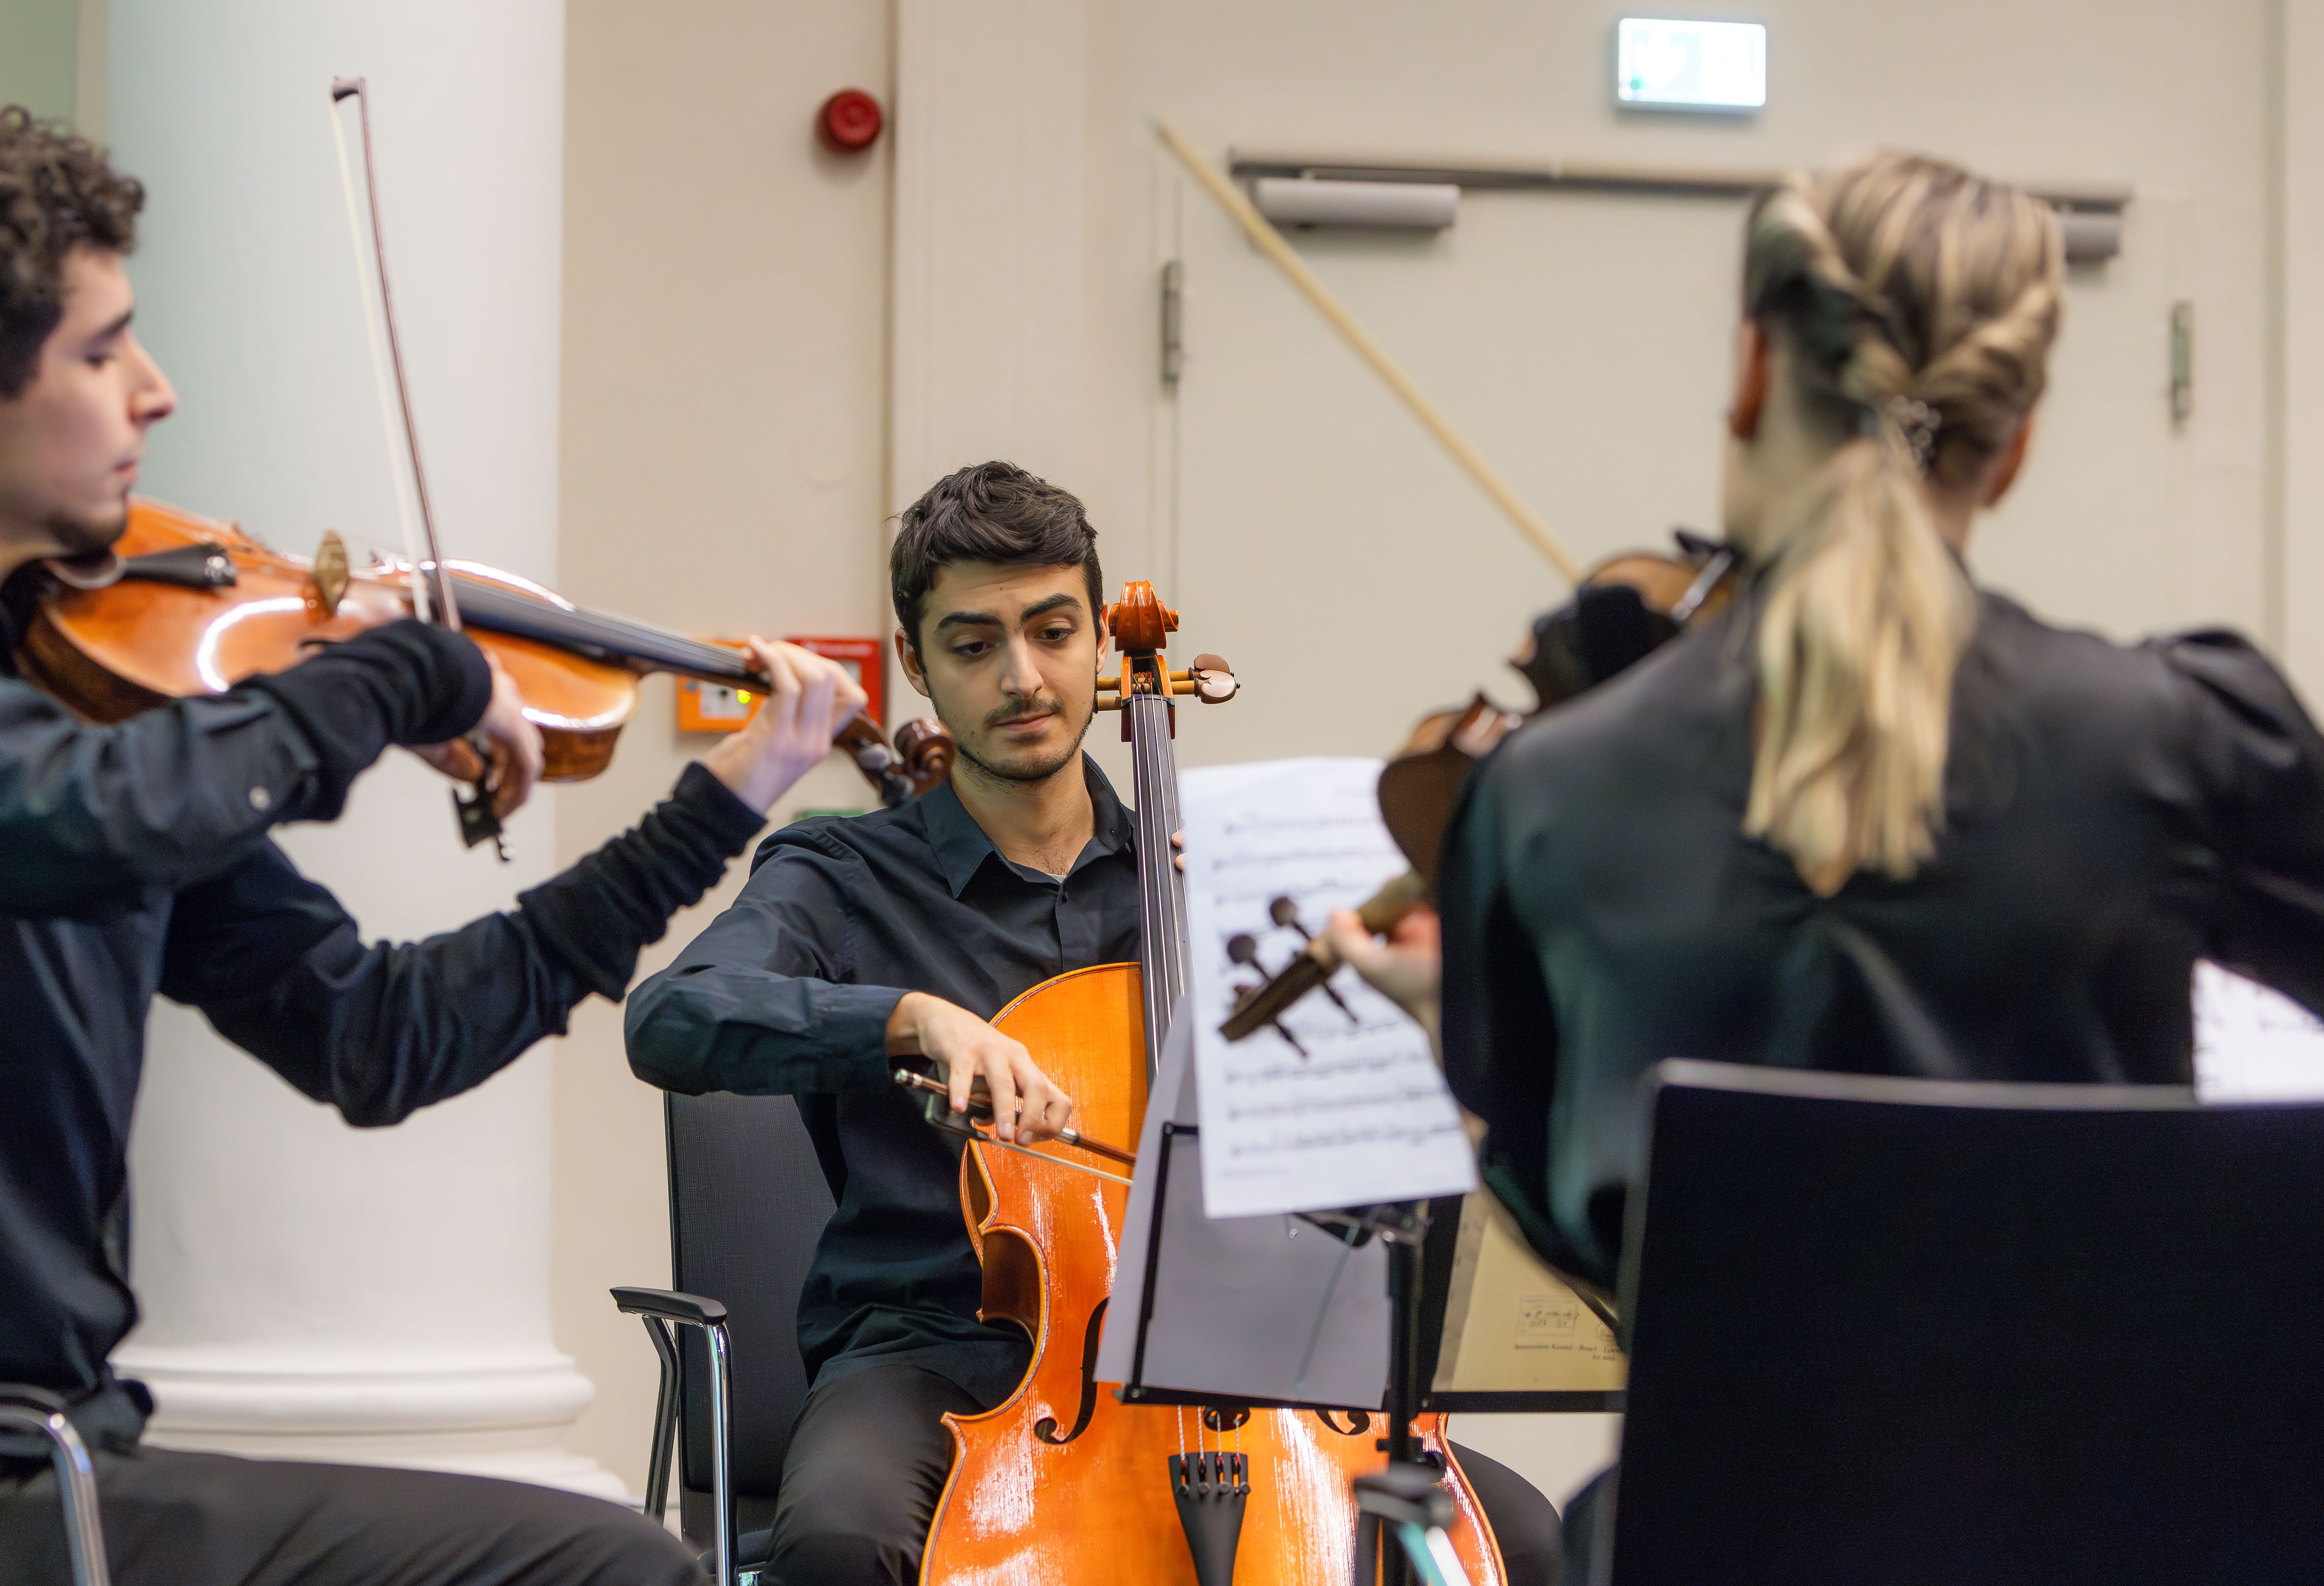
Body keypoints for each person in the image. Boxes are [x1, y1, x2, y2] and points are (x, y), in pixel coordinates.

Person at [1327, 148, 2324, 1575]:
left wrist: (1467, 1011)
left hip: (1712, 1543)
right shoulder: (2180, 745)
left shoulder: (1545, 796)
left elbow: (1570, 1213)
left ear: (1749, 373)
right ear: (2018, 436)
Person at [0, 107, 869, 1585]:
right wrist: (392, 673)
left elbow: (377, 1035)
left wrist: (707, 815)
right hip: (34, 1478)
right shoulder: (92, 775)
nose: (158, 391)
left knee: (622, 1565)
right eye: (102, 351)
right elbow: (88, 814)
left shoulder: (100, 715)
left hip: (73, 1454)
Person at [627, 461, 1563, 1586]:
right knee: (840, 1539)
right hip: (943, 1351)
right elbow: (673, 1016)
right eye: (974, 645)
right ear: (918, 666)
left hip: (1245, 1350)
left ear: (1099, 644)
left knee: (1520, 1533)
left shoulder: (1211, 870)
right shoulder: (840, 874)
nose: (1023, 678)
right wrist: (913, 1020)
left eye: (1053, 631)